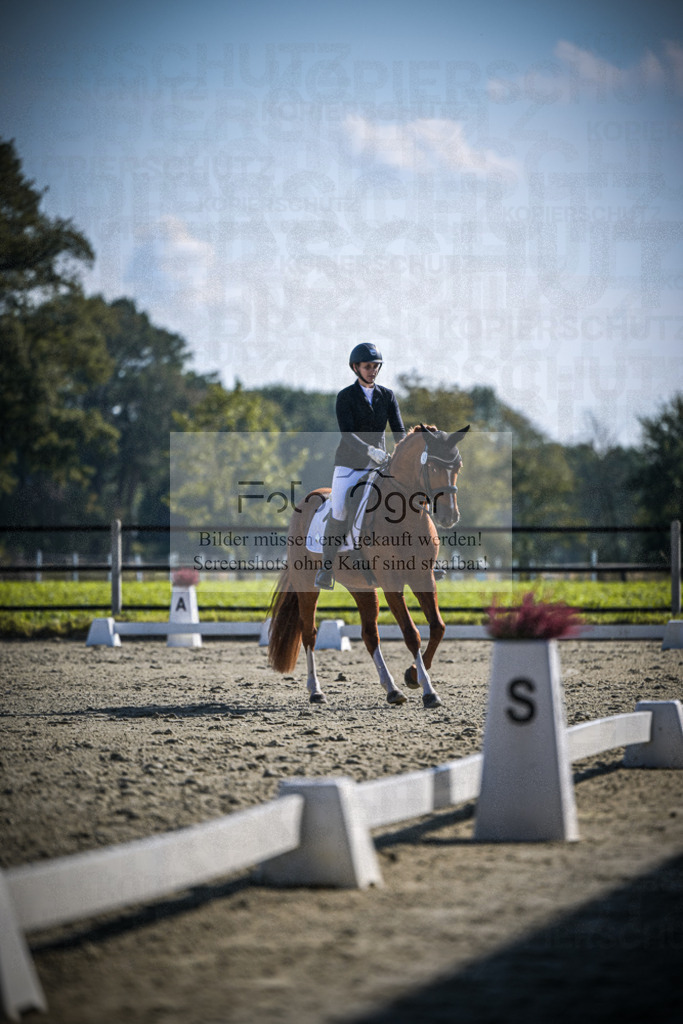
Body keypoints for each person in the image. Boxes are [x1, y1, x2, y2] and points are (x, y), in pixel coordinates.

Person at [314, 342, 406, 590]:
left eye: (376, 366)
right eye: (367, 366)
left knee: (409, 498)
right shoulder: (346, 396)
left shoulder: (387, 396)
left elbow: (399, 431)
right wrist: (369, 450)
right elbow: (347, 434)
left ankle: (425, 559)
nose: (372, 370)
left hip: (380, 466)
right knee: (340, 509)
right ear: (356, 367)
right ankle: (326, 568)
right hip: (349, 466)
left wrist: (406, 453)